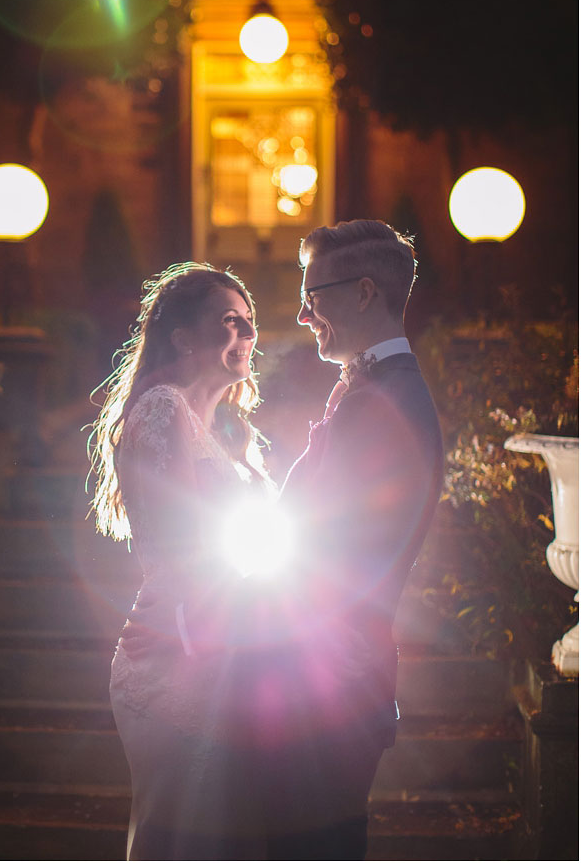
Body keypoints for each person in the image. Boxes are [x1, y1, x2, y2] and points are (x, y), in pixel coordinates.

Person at [254, 220, 443, 857]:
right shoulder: (373, 390)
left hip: (329, 678)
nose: (304, 316)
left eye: (315, 296)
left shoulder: (384, 403)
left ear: (364, 293)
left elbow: (331, 555)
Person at [88, 262, 274, 859]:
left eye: (249, 323)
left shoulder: (224, 432)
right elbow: (189, 544)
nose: (245, 335)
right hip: (174, 647)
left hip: (225, 638)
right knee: (177, 833)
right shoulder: (163, 409)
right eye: (228, 322)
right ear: (182, 337)